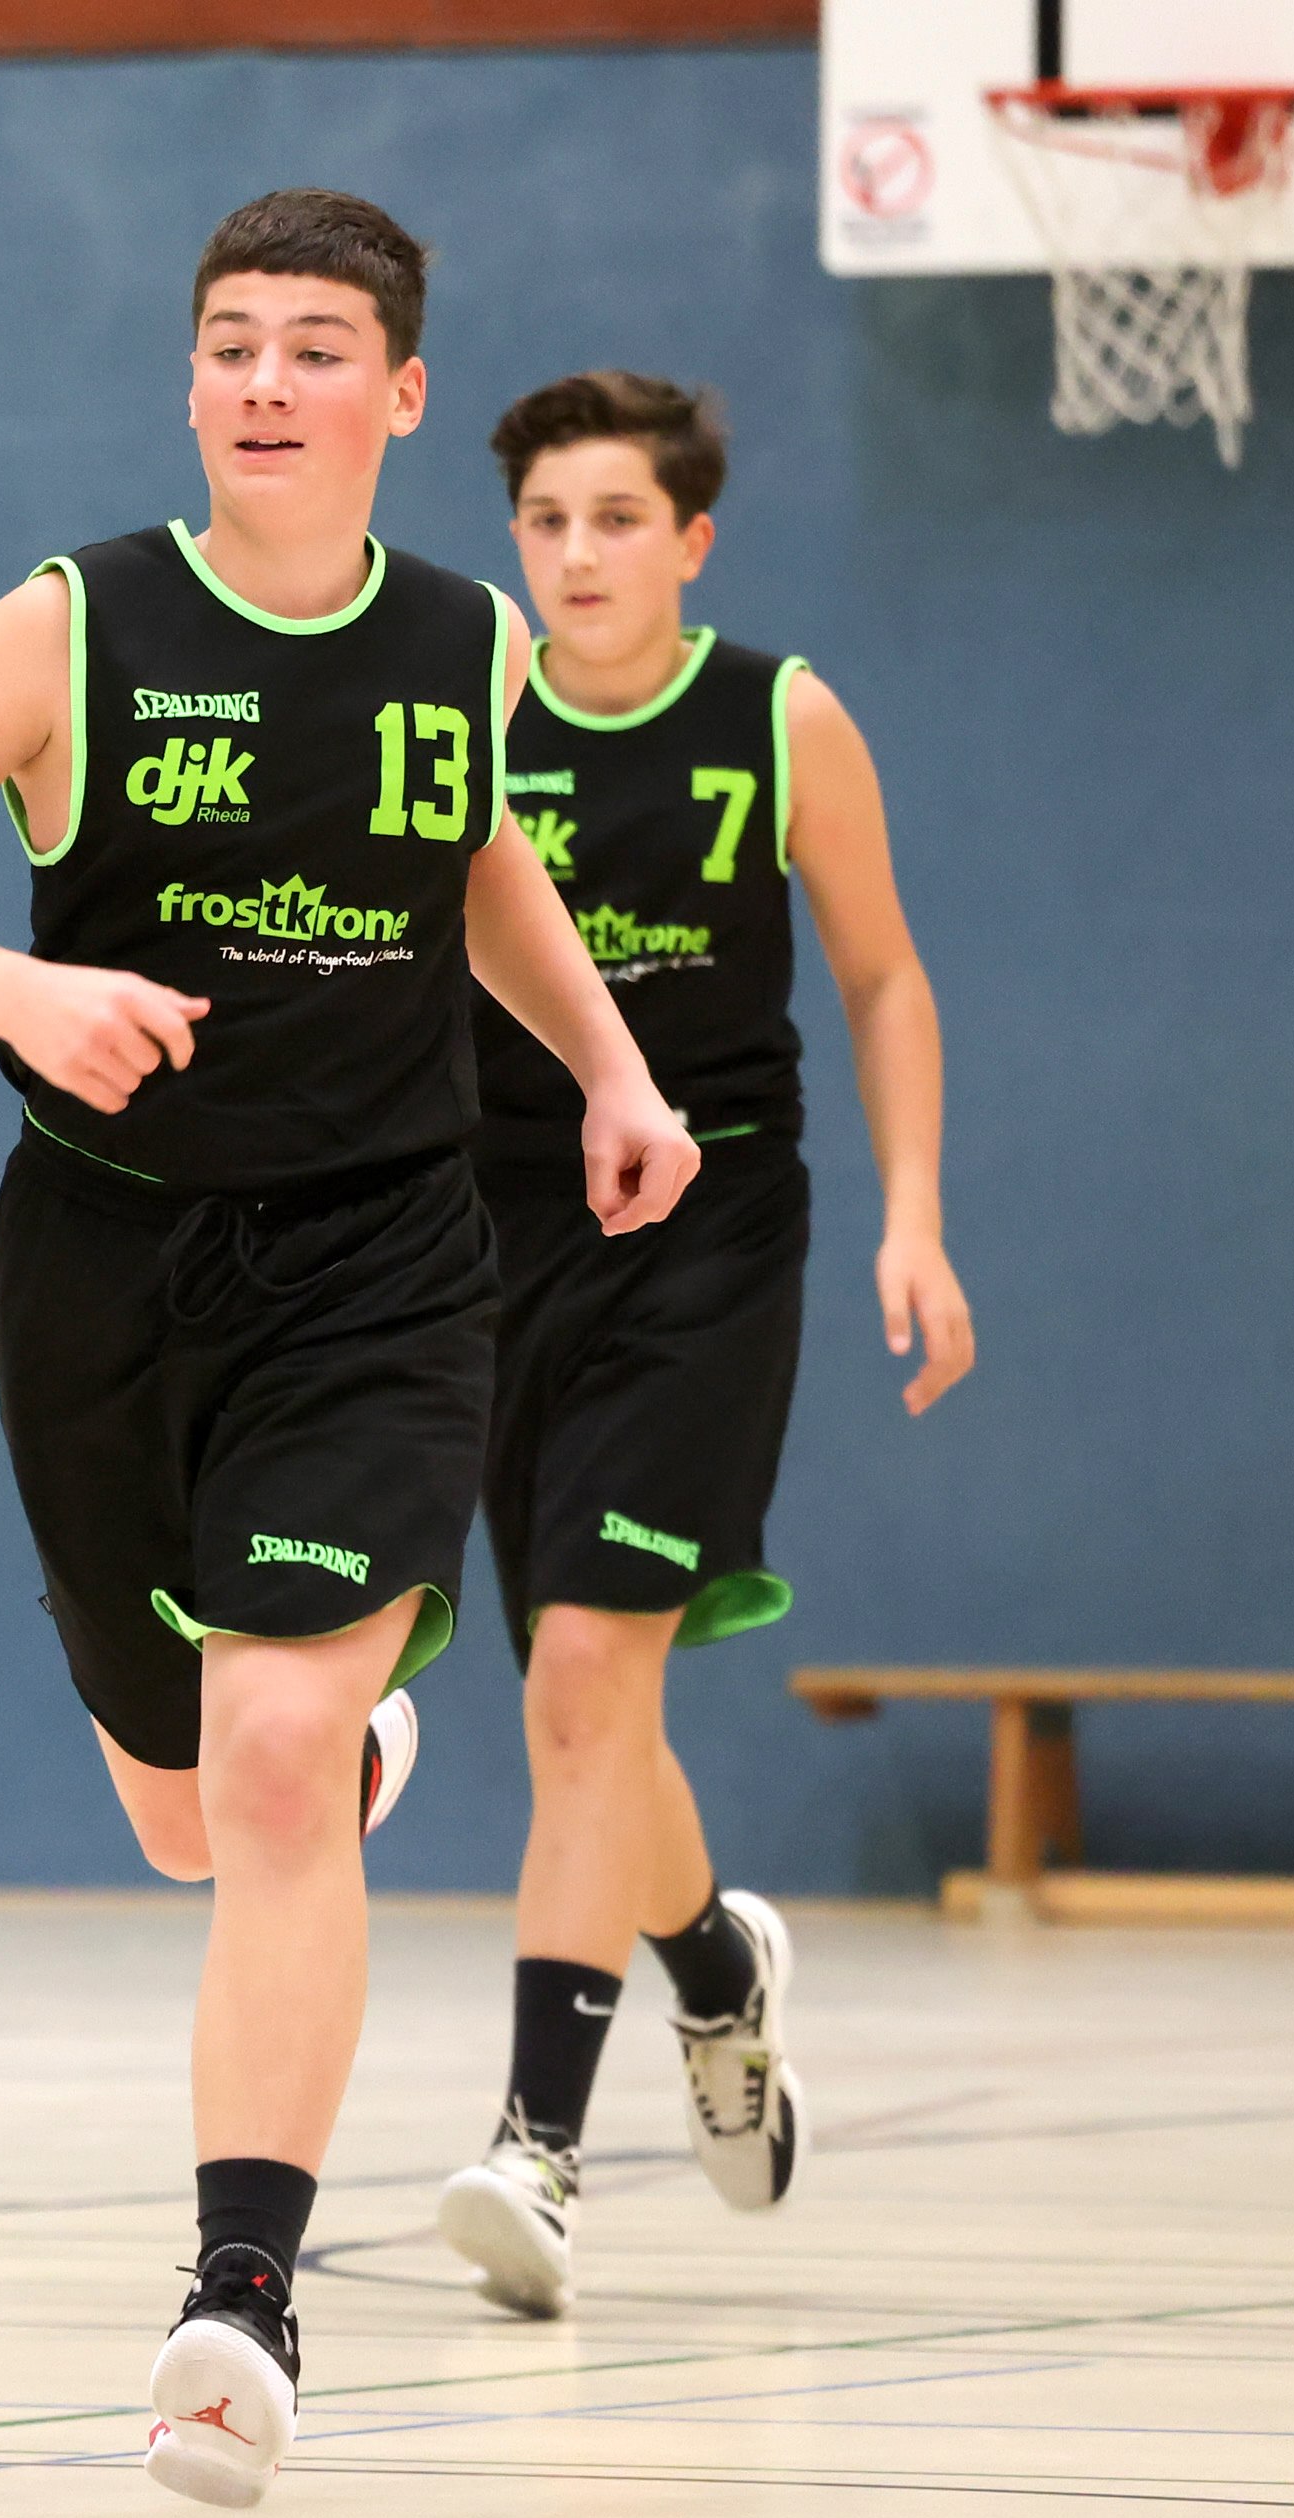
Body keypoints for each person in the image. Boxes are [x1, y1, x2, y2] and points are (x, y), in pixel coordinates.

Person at [0, 193, 696, 2510]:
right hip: (100, 1275)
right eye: (226, 343)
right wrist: (18, 988)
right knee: (187, 1809)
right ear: (187, 383)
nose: (263, 380)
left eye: (311, 346)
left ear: (397, 393)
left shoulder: (463, 638)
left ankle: (238, 2296)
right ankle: (343, 1727)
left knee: (267, 1764)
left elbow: (467, 857)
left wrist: (605, 1065)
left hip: (377, 1267)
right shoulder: (68, 626)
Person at [430, 372, 974, 2321]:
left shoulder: (778, 716)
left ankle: (535, 2146)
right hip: (496, 1228)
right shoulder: (460, 718)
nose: (575, 554)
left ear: (689, 540)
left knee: (589, 1675)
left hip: (709, 1227)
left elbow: (881, 973)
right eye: (544, 521)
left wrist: (912, 1217)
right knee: (588, 1712)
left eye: (613, 519)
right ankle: (716, 1971)